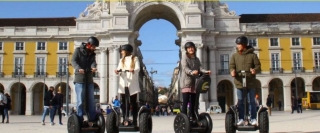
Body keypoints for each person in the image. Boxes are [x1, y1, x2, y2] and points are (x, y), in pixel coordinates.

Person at [229, 36, 261, 126]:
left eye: (239, 44)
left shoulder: (253, 55)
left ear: (244, 45)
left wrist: (255, 70)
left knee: (251, 101)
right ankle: (241, 118)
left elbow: (258, 66)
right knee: (240, 101)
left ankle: (253, 118)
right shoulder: (235, 56)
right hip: (239, 82)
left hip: (250, 81)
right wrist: (232, 71)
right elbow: (231, 66)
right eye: (237, 44)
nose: (237, 46)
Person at [71, 36, 99, 126]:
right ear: (89, 44)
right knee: (80, 101)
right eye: (94, 46)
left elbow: (93, 62)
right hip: (80, 79)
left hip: (89, 79)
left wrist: (93, 67)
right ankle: (79, 119)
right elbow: (73, 61)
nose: (94, 48)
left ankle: (92, 119)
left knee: (91, 100)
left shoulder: (92, 54)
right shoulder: (78, 50)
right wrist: (79, 68)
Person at [180, 42, 211, 122]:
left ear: (194, 48)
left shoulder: (197, 59)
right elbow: (185, 68)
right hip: (186, 83)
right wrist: (191, 72)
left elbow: (200, 68)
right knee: (186, 101)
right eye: (189, 48)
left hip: (194, 83)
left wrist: (206, 71)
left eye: (192, 47)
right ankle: (184, 117)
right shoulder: (184, 58)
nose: (190, 49)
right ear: (186, 50)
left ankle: (192, 116)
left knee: (194, 102)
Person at [114, 44, 140, 126]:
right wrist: (117, 71)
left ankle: (135, 119)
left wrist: (133, 70)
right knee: (123, 101)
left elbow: (138, 68)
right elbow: (119, 68)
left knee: (133, 101)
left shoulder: (135, 58)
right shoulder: (121, 60)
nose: (121, 52)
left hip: (132, 81)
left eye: (122, 50)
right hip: (123, 81)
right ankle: (125, 118)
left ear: (127, 50)